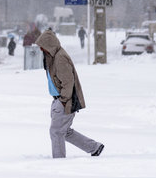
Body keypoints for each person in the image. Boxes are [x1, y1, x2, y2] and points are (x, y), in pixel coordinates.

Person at [35, 29, 104, 158]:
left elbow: (68, 82)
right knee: (64, 131)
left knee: (56, 132)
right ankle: (94, 147)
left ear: (48, 45)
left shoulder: (60, 58)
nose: (40, 50)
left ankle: (59, 160)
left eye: (42, 46)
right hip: (59, 100)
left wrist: (63, 100)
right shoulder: (52, 56)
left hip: (65, 101)